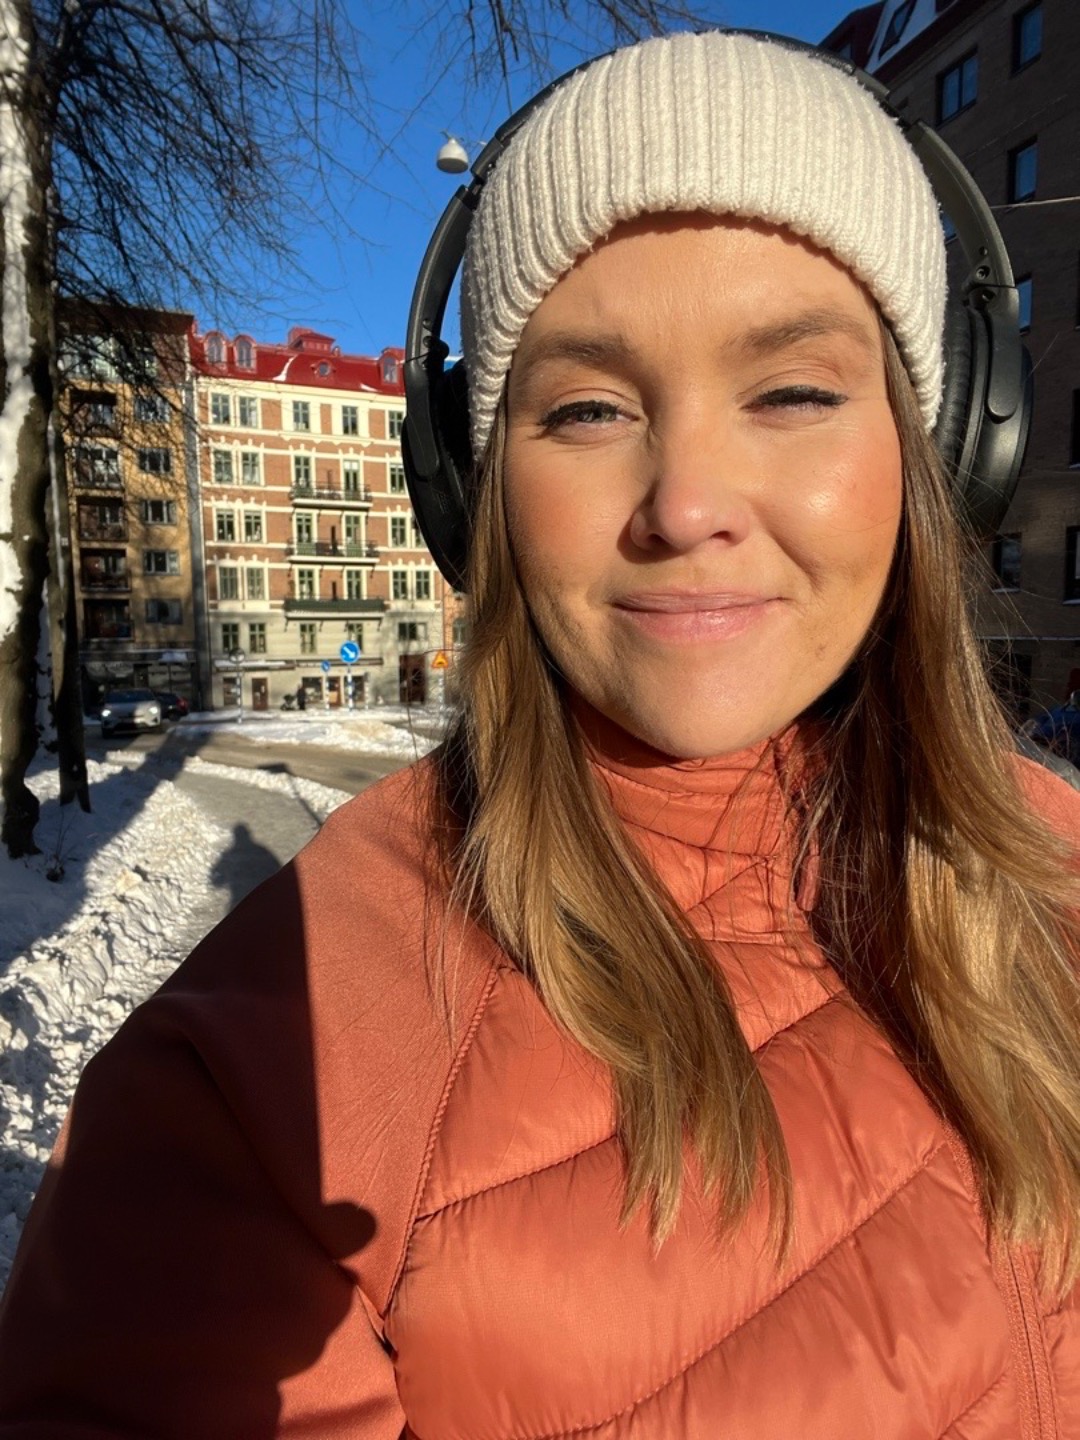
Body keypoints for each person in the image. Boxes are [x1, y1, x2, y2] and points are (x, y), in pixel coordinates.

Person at [2, 29, 1079, 1439]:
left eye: (793, 392)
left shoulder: (1062, 863)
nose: (686, 504)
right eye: (587, 408)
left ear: (943, 452)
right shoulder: (263, 1092)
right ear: (473, 490)